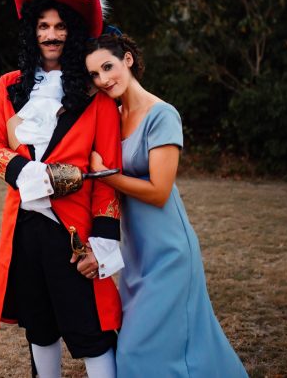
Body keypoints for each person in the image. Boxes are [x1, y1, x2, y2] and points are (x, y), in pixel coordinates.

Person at [0, 0, 124, 378]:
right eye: (44, 26)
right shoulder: (8, 87)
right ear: (32, 32)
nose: (52, 34)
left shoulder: (95, 98)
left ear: (73, 33)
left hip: (75, 233)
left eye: (61, 26)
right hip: (25, 228)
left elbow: (108, 176)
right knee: (40, 329)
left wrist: (102, 244)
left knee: (92, 330)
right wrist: (20, 170)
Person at [85, 34, 248, 377]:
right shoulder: (111, 115)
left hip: (169, 249)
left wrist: (106, 176)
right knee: (179, 344)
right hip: (135, 253)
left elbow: (160, 190)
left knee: (137, 351)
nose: (103, 79)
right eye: (95, 75)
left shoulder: (162, 115)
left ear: (127, 59)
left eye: (107, 67)